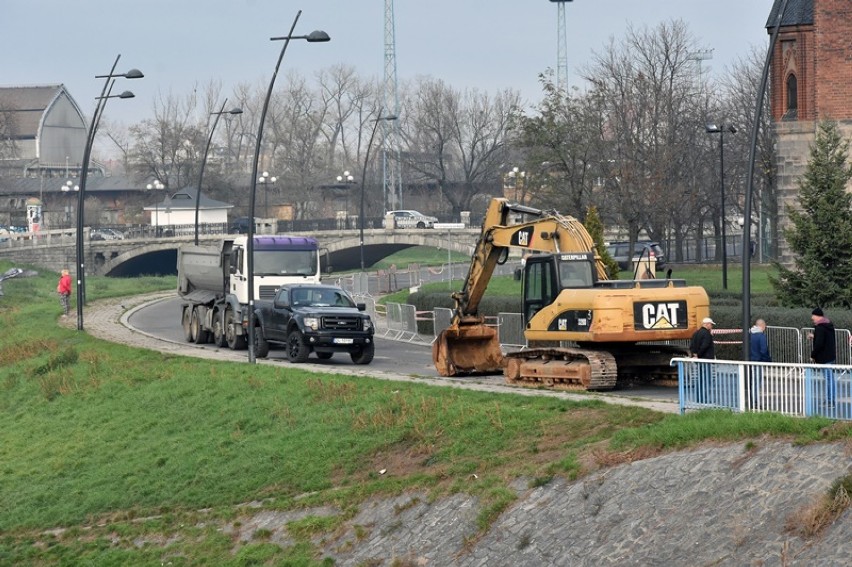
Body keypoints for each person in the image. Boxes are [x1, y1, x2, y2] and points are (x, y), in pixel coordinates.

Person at [810, 307, 836, 407]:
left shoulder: (820, 327)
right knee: (830, 379)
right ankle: (830, 399)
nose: (812, 318)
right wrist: (814, 336)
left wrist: (813, 355)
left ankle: (830, 401)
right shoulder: (828, 325)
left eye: (813, 316)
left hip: (824, 357)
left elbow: (819, 344)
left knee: (829, 379)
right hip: (830, 355)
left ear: (817, 316)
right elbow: (825, 339)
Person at [748, 318, 771, 408]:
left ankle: (752, 400)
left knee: (752, 382)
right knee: (757, 383)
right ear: (762, 326)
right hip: (758, 361)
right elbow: (764, 350)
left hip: (750, 361)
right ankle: (755, 402)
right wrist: (768, 361)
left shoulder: (749, 335)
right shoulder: (761, 336)